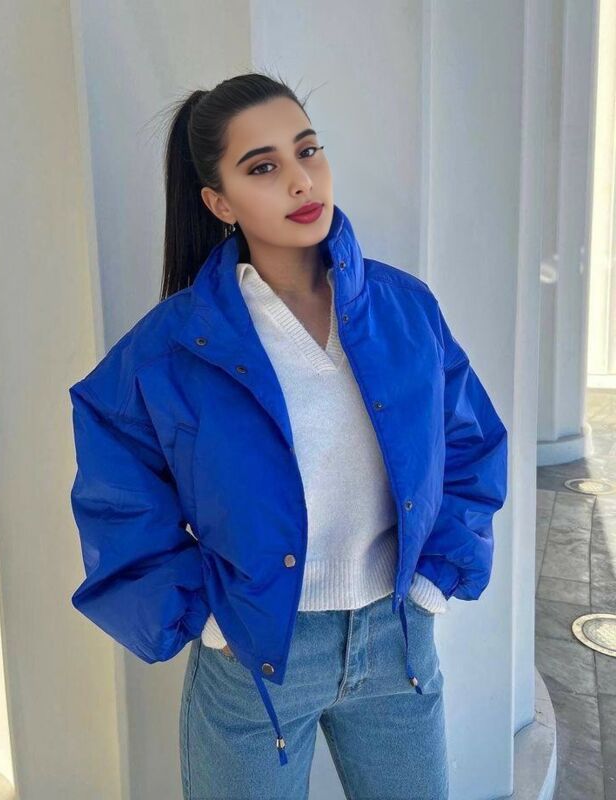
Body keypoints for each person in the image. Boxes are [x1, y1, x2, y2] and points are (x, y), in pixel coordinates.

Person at [68, 71, 508, 799]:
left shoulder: (404, 309)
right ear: (220, 202)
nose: (301, 181)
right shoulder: (172, 346)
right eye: (263, 167)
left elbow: (471, 446)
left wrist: (433, 585)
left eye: (308, 151)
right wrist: (209, 622)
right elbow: (118, 490)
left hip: (396, 644)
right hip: (253, 661)